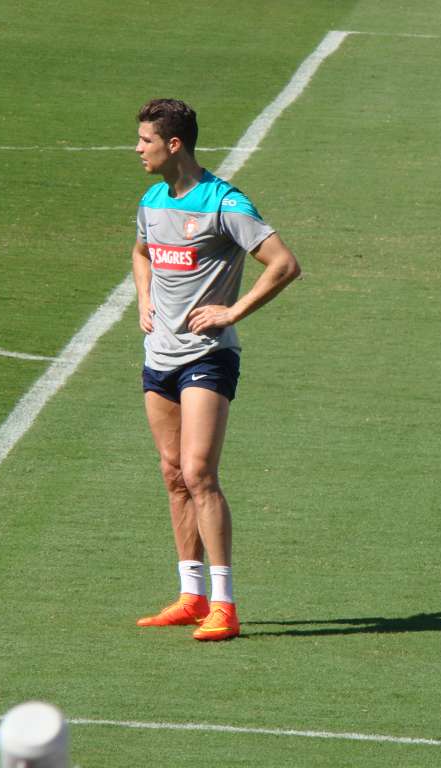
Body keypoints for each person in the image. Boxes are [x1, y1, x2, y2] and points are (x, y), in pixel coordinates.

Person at [130, 98, 300, 642]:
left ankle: (224, 605)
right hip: (159, 356)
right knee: (173, 473)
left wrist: (233, 310)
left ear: (173, 144)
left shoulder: (225, 203)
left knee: (200, 472)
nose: (138, 149)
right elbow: (140, 253)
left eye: (145, 140)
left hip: (208, 356)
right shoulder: (152, 202)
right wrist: (143, 299)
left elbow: (284, 263)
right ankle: (190, 594)